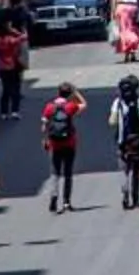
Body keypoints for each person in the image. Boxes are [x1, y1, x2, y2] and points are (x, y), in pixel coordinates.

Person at [39, 80, 85, 211]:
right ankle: (66, 202)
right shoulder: (70, 107)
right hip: (69, 143)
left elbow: (44, 126)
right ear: (69, 94)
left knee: (55, 172)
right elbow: (84, 104)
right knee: (68, 173)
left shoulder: (49, 107)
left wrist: (45, 139)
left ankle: (54, 196)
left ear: (58, 92)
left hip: (55, 144)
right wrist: (76, 93)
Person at [112, 78, 139, 210]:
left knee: (124, 170)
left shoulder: (117, 103)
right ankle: (136, 198)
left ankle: (125, 192)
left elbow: (112, 121)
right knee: (136, 170)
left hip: (122, 142)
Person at [0, 19, 29, 117]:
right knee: (16, 89)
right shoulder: (11, 39)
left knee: (5, 89)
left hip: (2, 67)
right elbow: (24, 37)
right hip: (13, 66)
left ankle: (4, 112)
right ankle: (14, 111)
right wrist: (15, 30)